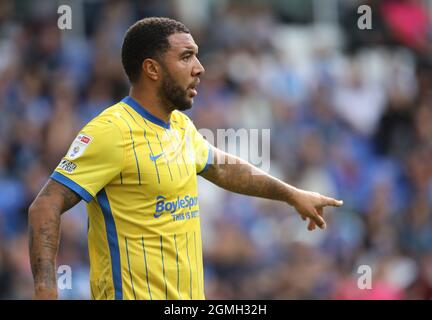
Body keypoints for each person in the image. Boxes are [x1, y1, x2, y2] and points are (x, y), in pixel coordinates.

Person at [28, 17, 343, 300]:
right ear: (152, 69)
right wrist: (46, 290)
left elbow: (222, 167)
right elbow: (45, 205)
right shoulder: (111, 132)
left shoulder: (179, 125)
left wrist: (291, 194)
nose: (199, 67)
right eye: (186, 56)